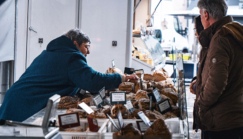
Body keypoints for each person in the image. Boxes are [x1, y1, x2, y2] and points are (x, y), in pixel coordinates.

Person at [0, 29, 138, 122]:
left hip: (16, 98)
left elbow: (66, 79)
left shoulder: (54, 52)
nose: (88, 51)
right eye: (86, 46)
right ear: (75, 44)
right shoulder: (71, 57)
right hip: (23, 104)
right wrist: (122, 78)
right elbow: (92, 80)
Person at [189, 0, 243, 138]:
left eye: (200, 14)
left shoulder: (220, 38)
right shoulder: (234, 33)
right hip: (235, 119)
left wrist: (200, 103)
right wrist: (199, 83)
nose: (200, 19)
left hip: (220, 123)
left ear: (206, 15)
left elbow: (217, 83)